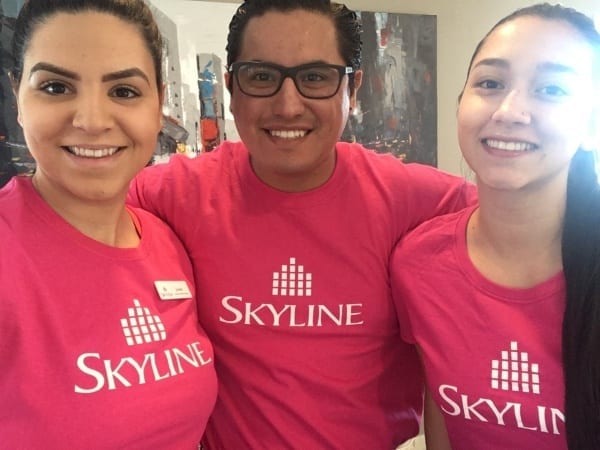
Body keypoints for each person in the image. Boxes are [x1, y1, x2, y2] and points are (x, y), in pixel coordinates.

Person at [128, 1, 475, 448]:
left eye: (315, 77)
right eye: (261, 77)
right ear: (232, 88)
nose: (288, 106)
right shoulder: (174, 193)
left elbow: (534, 230)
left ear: (353, 88)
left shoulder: (419, 200)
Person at [0, 0, 217, 448]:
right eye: (57, 87)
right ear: (17, 95)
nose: (92, 121)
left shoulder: (167, 244)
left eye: (124, 91)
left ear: (159, 104)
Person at [391, 3, 600, 449]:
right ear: (460, 104)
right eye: (490, 83)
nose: (509, 110)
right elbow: (442, 420)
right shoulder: (418, 265)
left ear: (591, 125)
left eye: (551, 89)